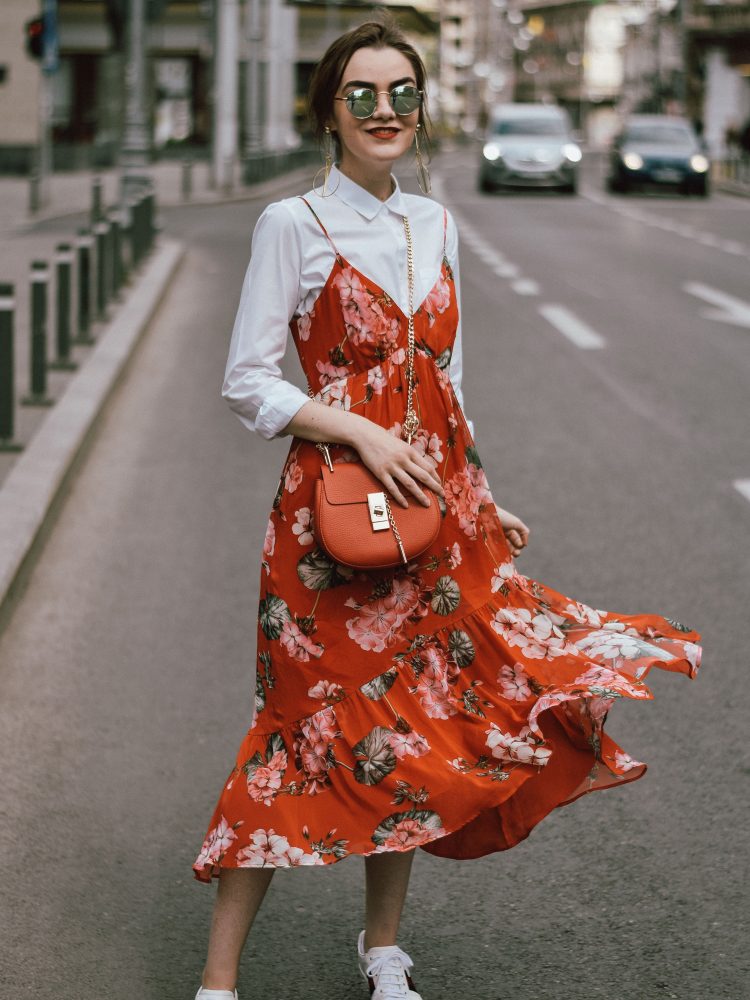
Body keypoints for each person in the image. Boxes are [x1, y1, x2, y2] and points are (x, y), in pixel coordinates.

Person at [191, 16, 702, 1000]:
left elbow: (449, 382)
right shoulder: (291, 225)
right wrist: (360, 430)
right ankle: (219, 981)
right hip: (330, 526)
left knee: (414, 733)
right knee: (296, 730)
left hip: (436, 514)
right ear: (329, 113)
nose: (385, 112)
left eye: (402, 95)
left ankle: (385, 954)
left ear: (422, 110)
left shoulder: (436, 223)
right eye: (362, 96)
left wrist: (486, 498)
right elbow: (247, 382)